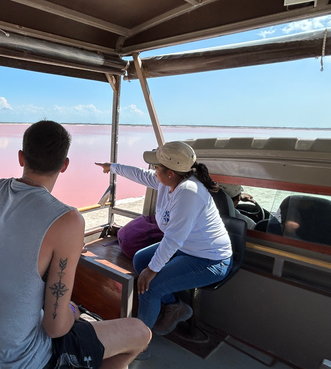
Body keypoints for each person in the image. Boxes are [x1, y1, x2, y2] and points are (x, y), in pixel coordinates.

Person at [0, 120, 150, 369]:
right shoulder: (67, 220)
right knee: (139, 334)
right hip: (12, 362)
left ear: (21, 157)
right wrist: (73, 312)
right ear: (65, 165)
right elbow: (56, 329)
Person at [96, 141, 232, 339]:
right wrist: (113, 167)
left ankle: (136, 343)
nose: (153, 170)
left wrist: (152, 271)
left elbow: (173, 239)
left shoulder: (189, 193)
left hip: (209, 260)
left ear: (171, 173)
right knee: (140, 260)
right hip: (187, 248)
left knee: (151, 286)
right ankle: (174, 306)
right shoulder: (168, 181)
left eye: (157, 167)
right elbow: (141, 175)